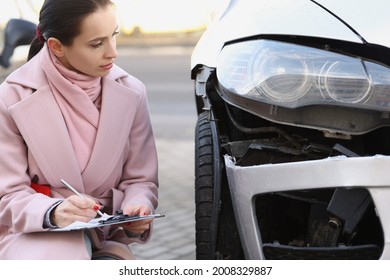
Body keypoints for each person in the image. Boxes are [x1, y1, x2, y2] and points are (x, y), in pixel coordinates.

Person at [0, 0, 158, 260]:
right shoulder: (11, 97)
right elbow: (7, 195)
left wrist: (138, 207)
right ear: (57, 47)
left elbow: (141, 179)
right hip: (32, 236)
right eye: (97, 44)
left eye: (113, 36)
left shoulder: (133, 91)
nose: (112, 53)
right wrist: (53, 212)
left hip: (106, 235)